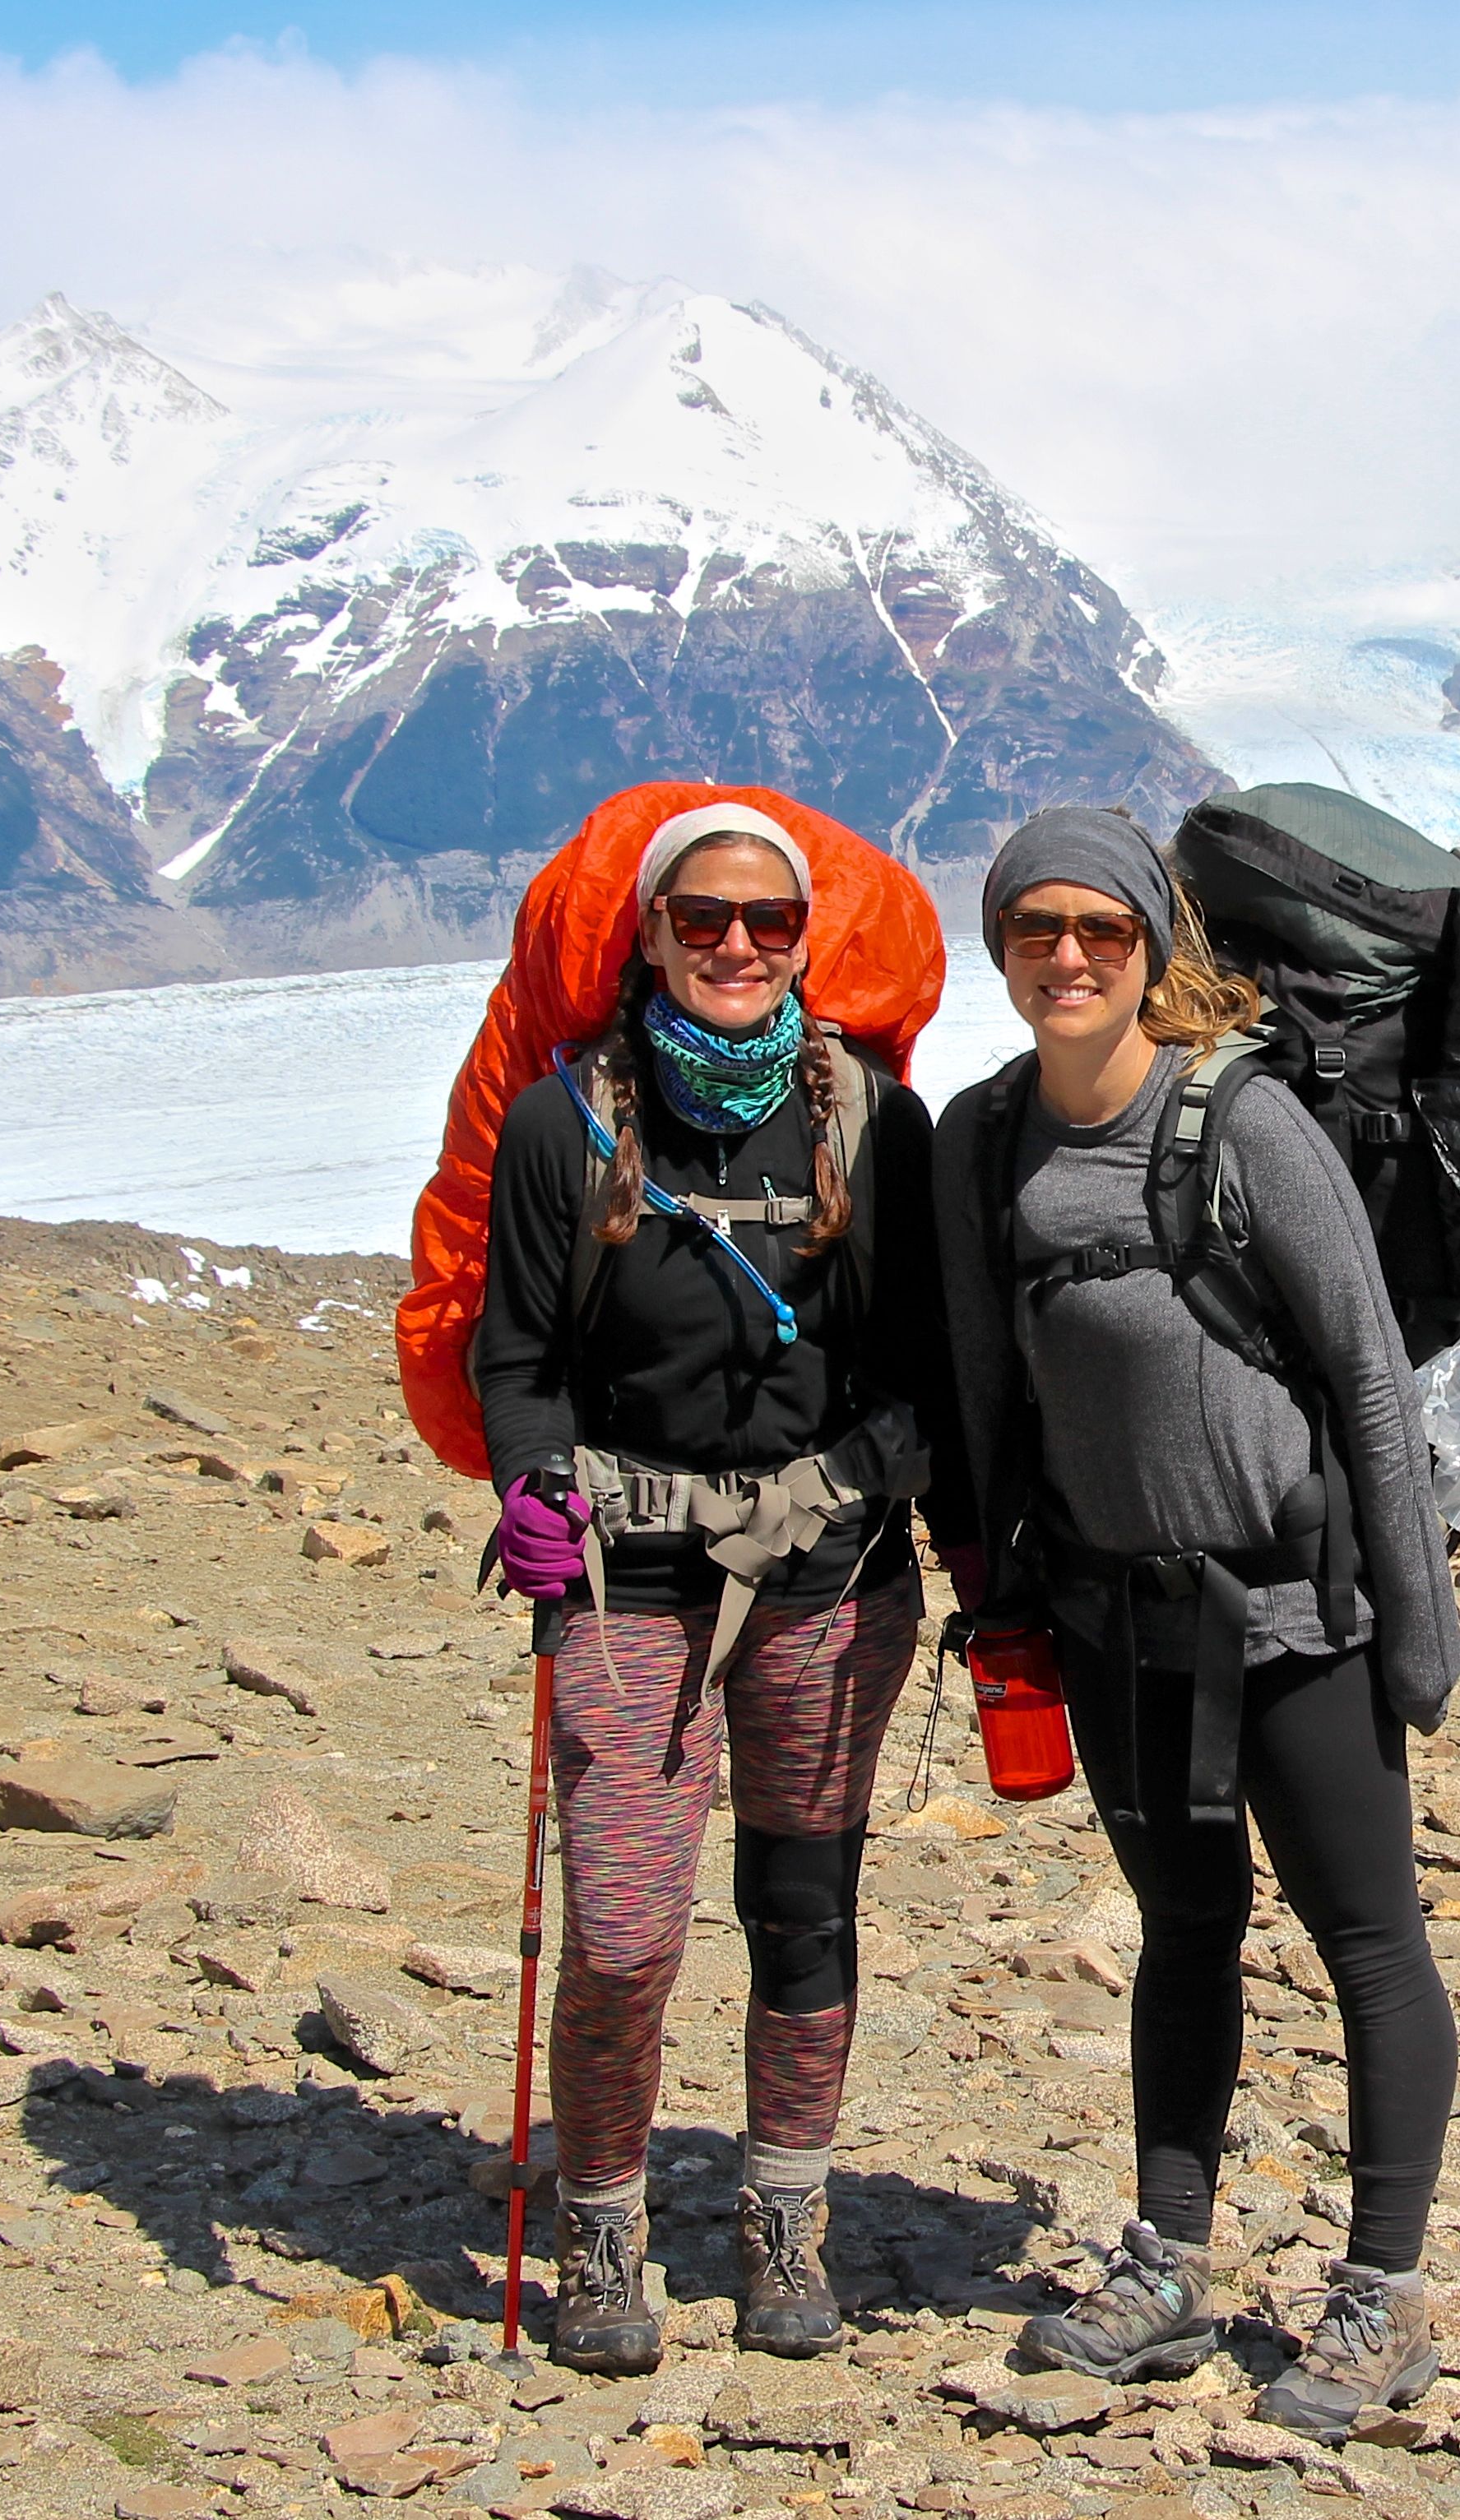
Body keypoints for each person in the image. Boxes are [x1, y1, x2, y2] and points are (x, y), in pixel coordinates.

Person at [933, 804, 1460, 2444]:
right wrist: (998, 1596)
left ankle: (1383, 2290)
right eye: (1037, 933)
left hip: (1290, 1609)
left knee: (1366, 1936)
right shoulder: (982, 1137)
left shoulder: (1240, 1122)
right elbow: (974, 1388)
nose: (1069, 959)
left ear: (1156, 945)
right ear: (1003, 949)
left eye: (1101, 931)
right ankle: (1167, 2258)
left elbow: (1368, 1374)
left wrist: (1411, 1618)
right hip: (1111, 1617)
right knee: (1182, 1928)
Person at [474, 800, 970, 2373]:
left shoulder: (878, 1125)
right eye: (703, 919)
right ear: (651, 933)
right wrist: (534, 1480)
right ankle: (605, 2220)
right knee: (622, 1933)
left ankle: (781, 2217)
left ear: (807, 938)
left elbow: (920, 1369)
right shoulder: (566, 1129)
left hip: (828, 1577)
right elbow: (518, 1355)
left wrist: (882, 1483)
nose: (738, 946)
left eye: (767, 921)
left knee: (800, 1910)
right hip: (624, 1580)